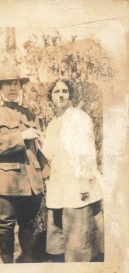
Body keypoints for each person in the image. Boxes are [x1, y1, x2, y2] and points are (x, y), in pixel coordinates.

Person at [0, 61, 49, 263]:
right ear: (0, 87)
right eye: (8, 84)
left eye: (16, 84)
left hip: (31, 184)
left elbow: (38, 151)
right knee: (6, 228)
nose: (13, 88)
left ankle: (26, 265)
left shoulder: (30, 114)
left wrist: (46, 174)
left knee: (28, 226)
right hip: (6, 185)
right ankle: (8, 269)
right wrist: (22, 136)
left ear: (20, 87)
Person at [41, 79, 104, 262]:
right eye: (56, 91)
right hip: (59, 187)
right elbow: (49, 153)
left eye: (65, 91)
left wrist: (85, 182)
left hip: (78, 186)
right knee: (61, 241)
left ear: (70, 95)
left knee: (78, 243)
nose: (61, 95)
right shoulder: (53, 123)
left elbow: (87, 152)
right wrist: (37, 139)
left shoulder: (79, 118)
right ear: (51, 97)